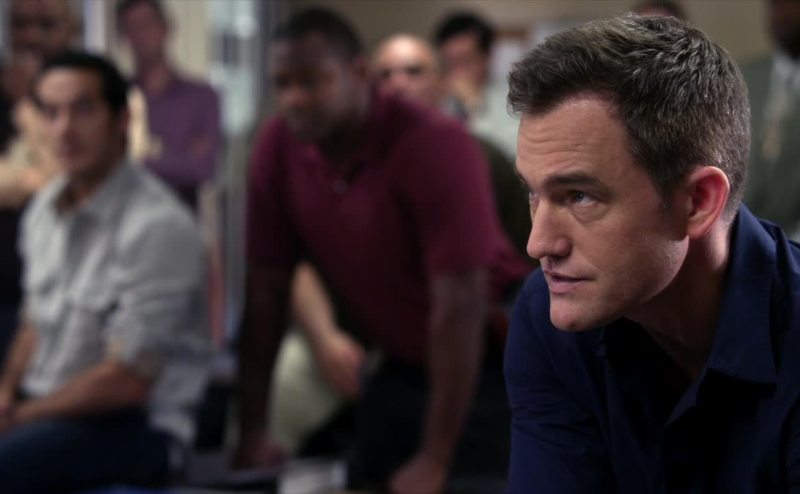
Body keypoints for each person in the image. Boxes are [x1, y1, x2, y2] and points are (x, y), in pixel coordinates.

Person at [236, 7, 529, 494]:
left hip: (488, 355)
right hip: (401, 355)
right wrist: (251, 431)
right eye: (282, 83)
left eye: (311, 81)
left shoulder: (436, 143)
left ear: (357, 73)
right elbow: (265, 289)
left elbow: (460, 305)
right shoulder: (279, 144)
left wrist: (436, 458)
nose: (293, 99)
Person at [503, 13, 800, 492]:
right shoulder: (549, 315)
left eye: (579, 196)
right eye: (533, 193)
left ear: (697, 202)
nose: (538, 244)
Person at [0, 51, 211, 491]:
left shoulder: (158, 225)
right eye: (51, 113)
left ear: (121, 119)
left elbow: (128, 382)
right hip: (46, 409)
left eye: (82, 110)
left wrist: (20, 418)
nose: (64, 129)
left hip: (132, 425)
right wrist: (6, 394)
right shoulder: (44, 209)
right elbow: (34, 324)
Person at [373, 33, 529, 253]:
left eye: (414, 71)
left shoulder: (482, 156)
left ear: (442, 83)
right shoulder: (358, 160)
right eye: (385, 74)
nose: (397, 83)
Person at [116, 0, 222, 210]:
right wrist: (176, 157)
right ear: (124, 36)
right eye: (133, 27)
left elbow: (202, 168)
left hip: (181, 220)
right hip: (125, 219)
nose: (142, 35)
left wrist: (137, 159)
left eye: (148, 23)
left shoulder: (201, 97)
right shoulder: (117, 99)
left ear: (166, 28)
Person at [742, 0, 800, 236]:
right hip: (743, 232)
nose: (782, 14)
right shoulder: (744, 76)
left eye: (793, 5)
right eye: (776, 5)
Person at [434, 11, 518, 160]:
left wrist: (474, 105)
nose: (457, 72)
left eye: (465, 61)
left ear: (487, 57)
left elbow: (507, 153)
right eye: (449, 62)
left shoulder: (514, 98)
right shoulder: (440, 102)